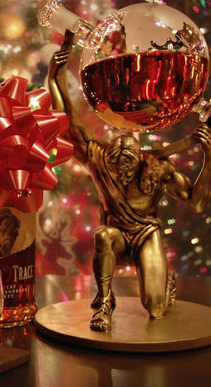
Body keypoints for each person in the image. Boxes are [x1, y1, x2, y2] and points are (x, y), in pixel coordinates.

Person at [48, 30, 211, 332]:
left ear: (139, 163)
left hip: (146, 234)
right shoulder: (99, 158)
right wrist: (55, 73)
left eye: (128, 167)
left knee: (156, 309)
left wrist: (209, 160)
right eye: (118, 166)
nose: (122, 173)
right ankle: (104, 302)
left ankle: (164, 283)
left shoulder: (156, 168)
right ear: (109, 160)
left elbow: (197, 202)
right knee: (102, 235)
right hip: (118, 236)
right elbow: (66, 119)